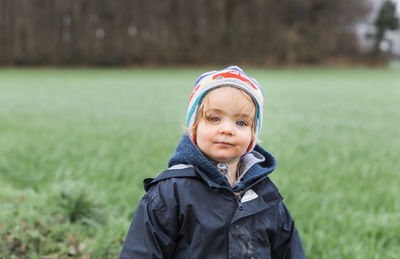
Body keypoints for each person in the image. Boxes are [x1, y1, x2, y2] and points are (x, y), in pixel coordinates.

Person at [120, 66, 306, 259]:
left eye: (241, 123)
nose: (227, 129)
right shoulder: (170, 193)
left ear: (252, 136)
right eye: (214, 118)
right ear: (194, 127)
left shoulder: (265, 196)